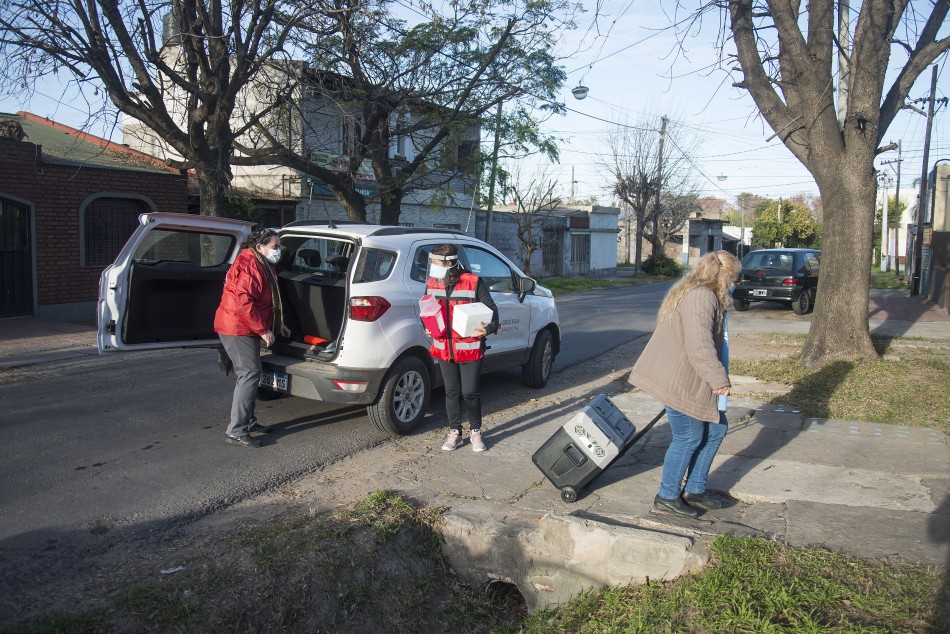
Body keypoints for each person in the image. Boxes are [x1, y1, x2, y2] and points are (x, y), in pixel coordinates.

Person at [628, 250, 741, 517]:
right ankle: (667, 496)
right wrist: (718, 379)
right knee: (689, 436)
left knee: (715, 430)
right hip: (681, 381)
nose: (735, 283)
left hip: (690, 377)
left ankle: (695, 489)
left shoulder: (703, 294)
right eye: (734, 277)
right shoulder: (701, 297)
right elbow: (699, 346)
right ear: (722, 274)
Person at [214, 227, 292, 448]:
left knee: (251, 373)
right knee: (249, 374)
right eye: (274, 247)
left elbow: (265, 302)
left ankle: (248, 422)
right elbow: (243, 304)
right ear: (259, 247)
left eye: (279, 247)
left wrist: (278, 326)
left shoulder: (261, 263)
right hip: (237, 327)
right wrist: (263, 330)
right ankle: (236, 430)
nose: (278, 251)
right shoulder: (249, 266)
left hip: (245, 325)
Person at [424, 244, 499, 452]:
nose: (432, 266)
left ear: (449, 263)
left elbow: (492, 310)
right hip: (444, 347)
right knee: (451, 392)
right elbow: (427, 309)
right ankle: (455, 432)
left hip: (470, 348)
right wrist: (427, 327)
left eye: (435, 262)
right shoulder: (432, 283)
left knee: (470, 392)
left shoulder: (473, 282)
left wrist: (489, 328)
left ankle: (476, 432)